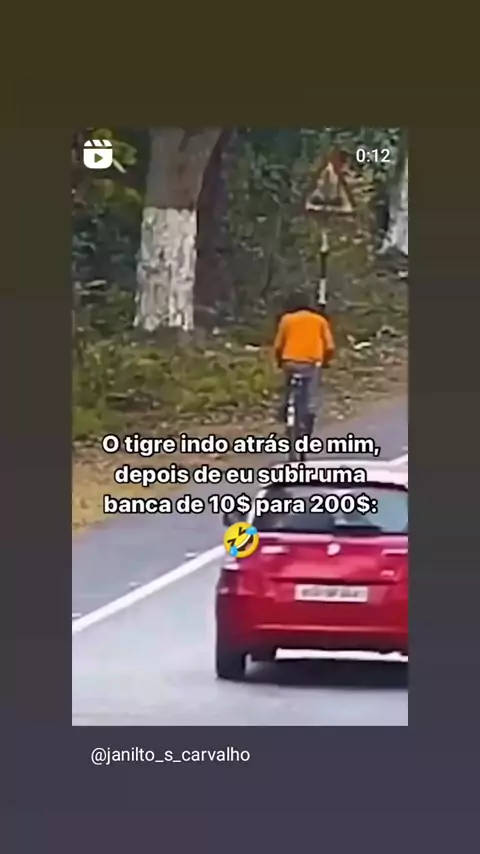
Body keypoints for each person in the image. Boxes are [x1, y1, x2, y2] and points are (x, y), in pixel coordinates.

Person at [273, 290, 335, 437]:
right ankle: (308, 421)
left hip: (290, 362)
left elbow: (278, 346)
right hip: (312, 364)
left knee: (289, 387)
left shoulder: (286, 320)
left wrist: (279, 361)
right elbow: (330, 346)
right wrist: (326, 361)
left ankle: (287, 407)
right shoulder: (319, 320)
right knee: (309, 395)